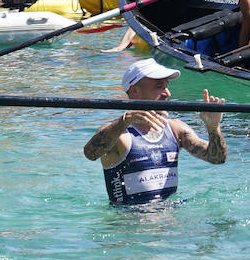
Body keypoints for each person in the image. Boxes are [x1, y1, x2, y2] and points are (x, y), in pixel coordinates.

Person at [82, 60, 227, 206]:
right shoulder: (118, 134)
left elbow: (217, 159)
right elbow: (90, 153)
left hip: (170, 220)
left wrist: (213, 128)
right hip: (129, 224)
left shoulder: (176, 129)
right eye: (159, 87)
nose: (168, 93)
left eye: (166, 86)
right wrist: (123, 122)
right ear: (135, 91)